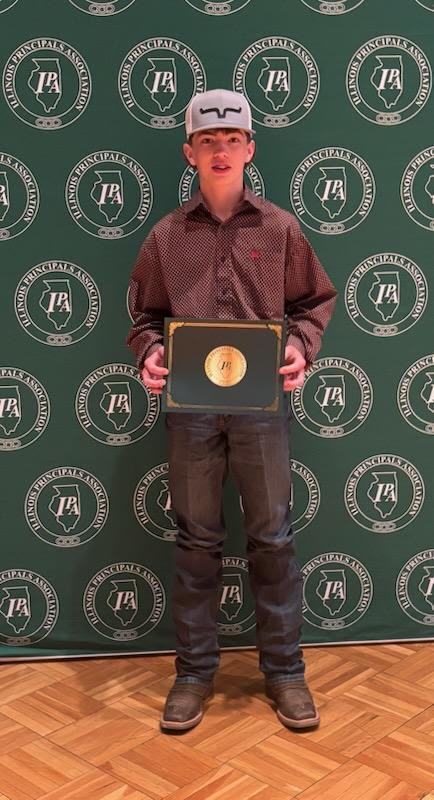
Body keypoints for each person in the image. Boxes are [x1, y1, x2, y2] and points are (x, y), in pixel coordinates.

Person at [127, 88, 337, 733]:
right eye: (208, 141)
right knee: (197, 540)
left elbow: (314, 301)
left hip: (261, 411)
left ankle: (285, 672)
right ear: (189, 152)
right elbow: (143, 316)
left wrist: (300, 348)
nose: (221, 151)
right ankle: (193, 672)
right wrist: (150, 356)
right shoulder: (166, 236)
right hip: (190, 412)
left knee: (272, 535)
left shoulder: (278, 228)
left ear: (251, 148)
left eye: (232, 140)